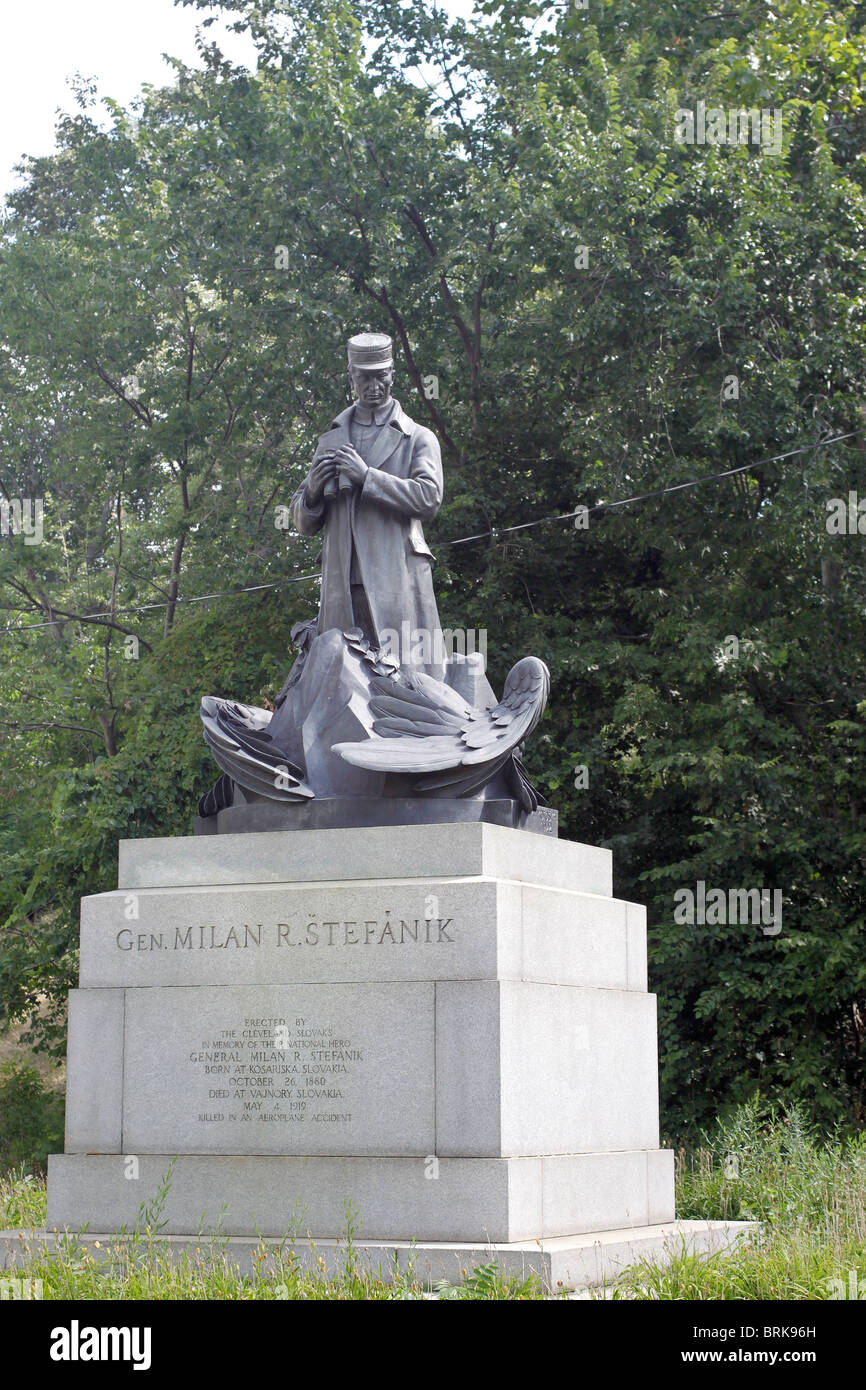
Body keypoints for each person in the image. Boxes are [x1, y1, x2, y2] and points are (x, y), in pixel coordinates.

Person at [290, 332, 446, 679]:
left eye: (381, 376)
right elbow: (301, 520)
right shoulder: (331, 440)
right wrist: (313, 490)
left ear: (393, 374)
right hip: (342, 582)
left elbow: (428, 497)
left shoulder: (417, 437)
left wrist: (368, 477)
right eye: (365, 377)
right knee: (342, 682)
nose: (374, 385)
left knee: (407, 679)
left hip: (396, 577)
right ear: (352, 376)